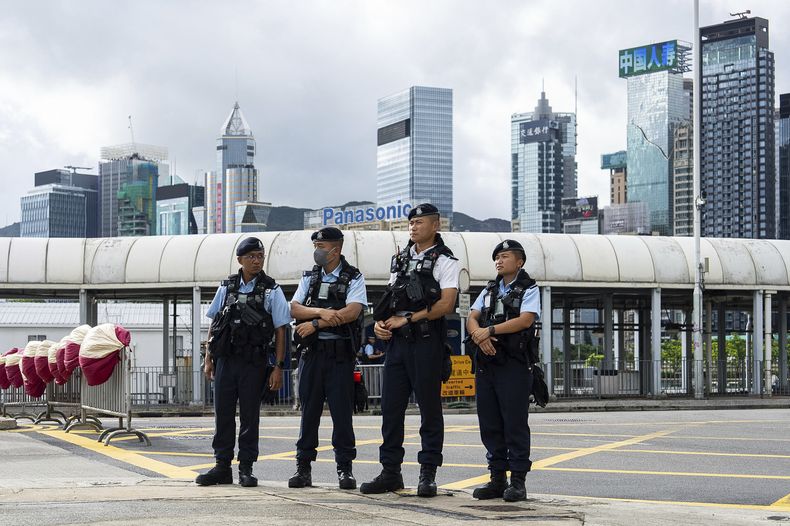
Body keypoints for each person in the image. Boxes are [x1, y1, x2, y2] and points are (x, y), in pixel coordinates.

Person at [361, 203, 459, 498]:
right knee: (390, 410)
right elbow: (391, 299)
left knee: (429, 410)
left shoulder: (446, 260)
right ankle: (390, 472)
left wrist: (409, 318)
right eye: (411, 222)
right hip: (397, 345)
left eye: (419, 222)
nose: (413, 227)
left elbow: (447, 304)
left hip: (427, 342)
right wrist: (380, 325)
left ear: (435, 225)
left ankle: (428, 473)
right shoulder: (400, 259)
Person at [196, 237, 291, 488]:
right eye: (252, 256)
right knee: (223, 414)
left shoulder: (271, 289)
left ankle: (246, 468)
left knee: (250, 416)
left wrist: (278, 366)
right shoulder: (226, 287)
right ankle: (221, 467)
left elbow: (282, 329)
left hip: (254, 362)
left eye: (260, 256)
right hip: (226, 360)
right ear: (240, 260)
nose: (257, 260)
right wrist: (208, 357)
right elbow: (214, 323)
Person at [288, 226, 367, 490]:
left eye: (321, 248)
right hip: (311, 355)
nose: (317, 252)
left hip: (340, 357)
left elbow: (352, 312)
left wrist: (316, 324)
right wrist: (323, 312)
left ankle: (345, 469)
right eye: (316, 247)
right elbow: (294, 308)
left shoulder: (354, 277)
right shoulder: (309, 278)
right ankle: (303, 468)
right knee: (308, 414)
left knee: (342, 416)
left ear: (336, 249)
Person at [466, 239, 540, 502]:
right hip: (487, 365)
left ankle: (517, 481)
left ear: (519, 262)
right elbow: (472, 316)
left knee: (515, 424)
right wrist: (479, 335)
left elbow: (525, 319)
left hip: (514, 365)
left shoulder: (529, 288)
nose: (499, 260)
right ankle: (497, 478)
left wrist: (491, 330)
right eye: (497, 256)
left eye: (505, 256)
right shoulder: (489, 289)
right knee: (490, 423)